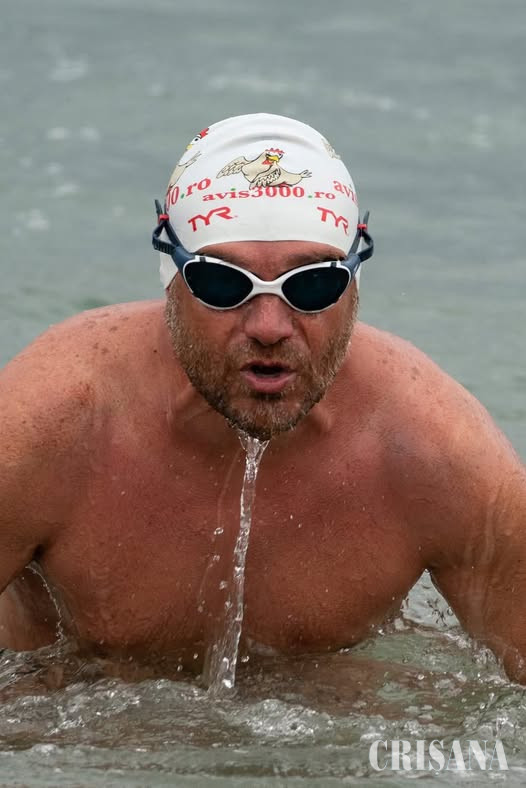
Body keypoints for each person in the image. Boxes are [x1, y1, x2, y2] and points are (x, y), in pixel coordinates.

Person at [0, 114, 525, 682]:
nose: (270, 326)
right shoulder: (50, 426)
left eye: (312, 284)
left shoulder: (433, 451)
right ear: (170, 272)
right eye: (223, 283)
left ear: (354, 280)